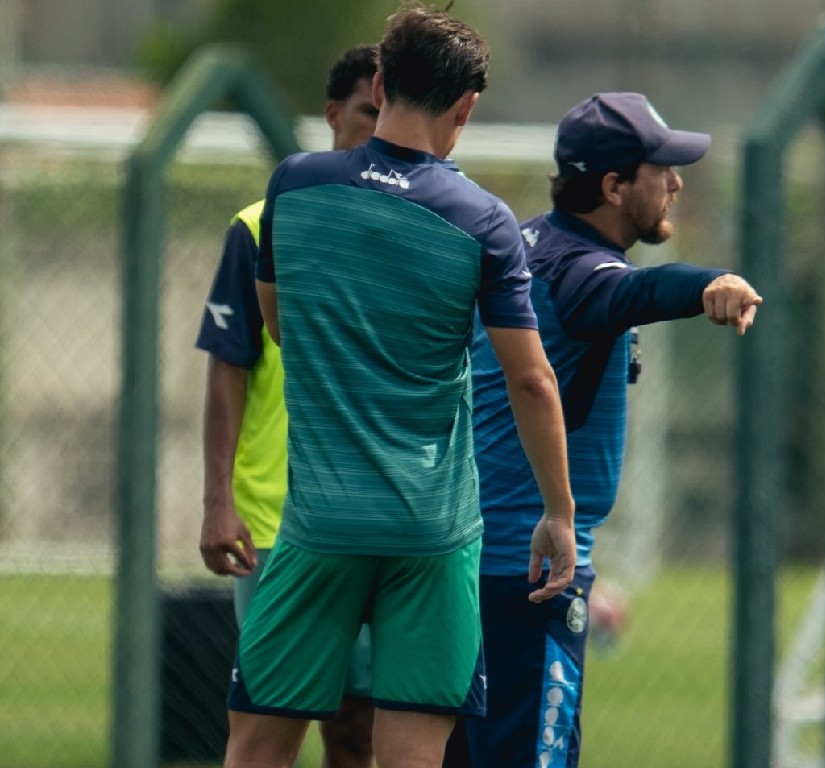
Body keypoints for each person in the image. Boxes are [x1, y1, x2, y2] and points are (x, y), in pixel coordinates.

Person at [224, 6, 577, 768]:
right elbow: (530, 378)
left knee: (257, 747)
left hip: (319, 526)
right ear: (466, 107)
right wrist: (558, 511)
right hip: (431, 532)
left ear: (379, 85)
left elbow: (279, 324)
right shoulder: (484, 221)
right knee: (413, 754)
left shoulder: (295, 184)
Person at [448, 91, 761, 768]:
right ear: (615, 187)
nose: (676, 184)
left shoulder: (521, 244)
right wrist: (712, 284)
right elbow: (636, 292)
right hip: (532, 568)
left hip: (464, 558)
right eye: (661, 170)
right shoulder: (581, 271)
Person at [195, 43, 379, 768]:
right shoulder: (260, 225)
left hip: (384, 518)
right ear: (332, 114)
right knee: (271, 720)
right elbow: (228, 368)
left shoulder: (424, 225)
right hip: (277, 522)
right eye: (368, 111)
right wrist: (218, 501)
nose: (381, 127)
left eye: (392, 112)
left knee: (362, 727)